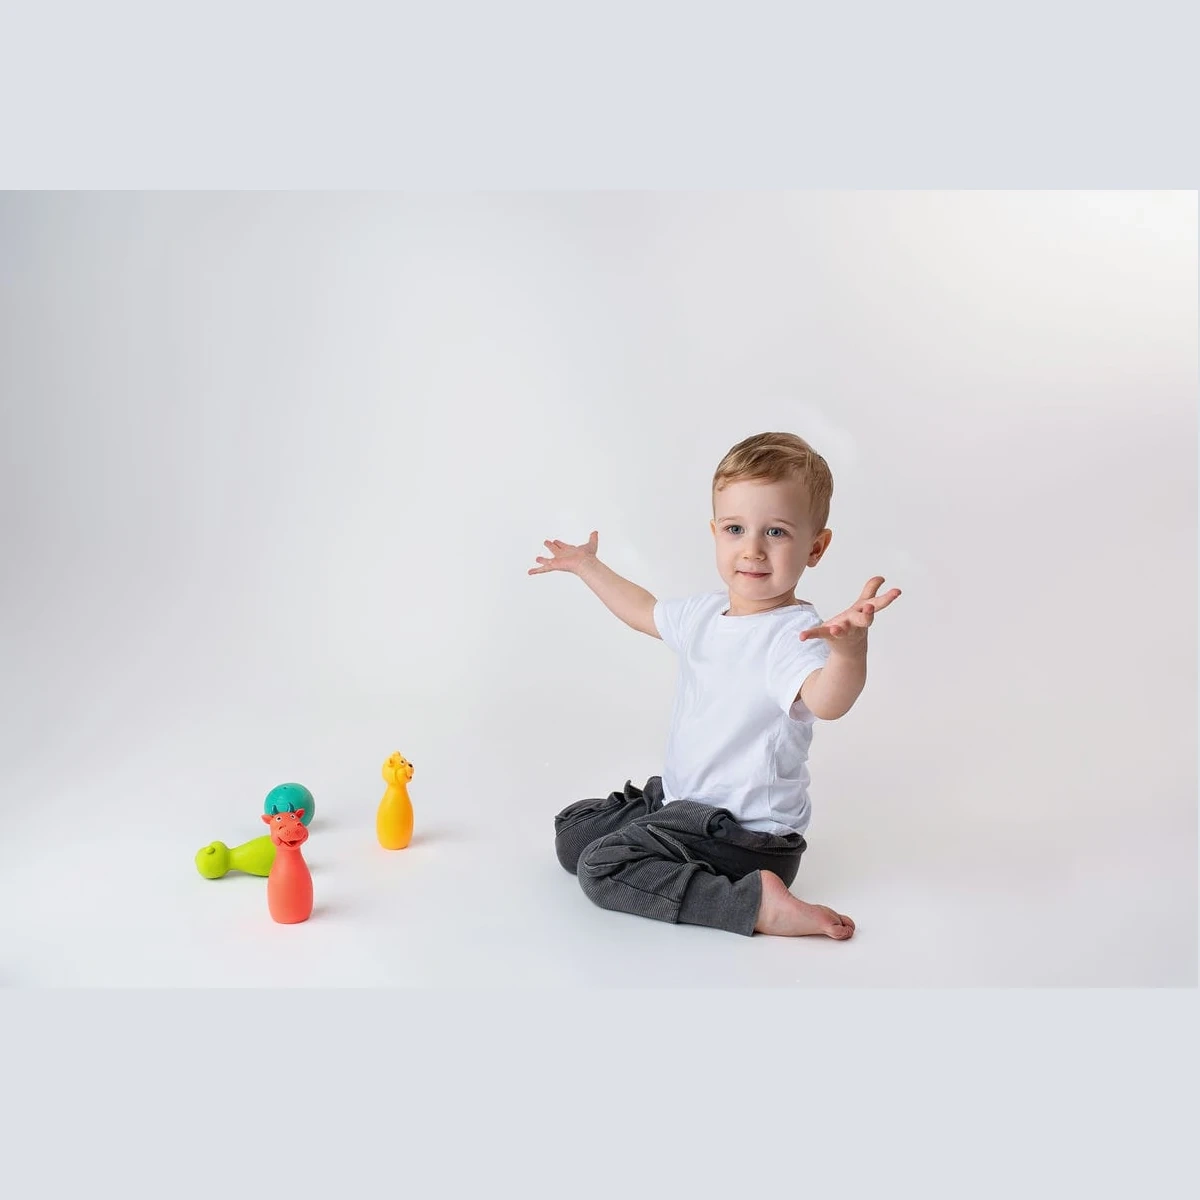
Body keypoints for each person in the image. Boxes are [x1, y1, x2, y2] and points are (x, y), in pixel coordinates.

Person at [529, 431, 900, 938]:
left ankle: (754, 904)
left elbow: (827, 700)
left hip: (747, 837)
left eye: (776, 532)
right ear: (715, 533)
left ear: (815, 547)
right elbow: (642, 610)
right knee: (573, 836)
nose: (752, 550)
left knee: (600, 868)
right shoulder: (704, 614)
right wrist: (587, 566)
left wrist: (849, 651)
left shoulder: (792, 637)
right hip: (685, 804)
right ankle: (661, 826)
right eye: (735, 529)